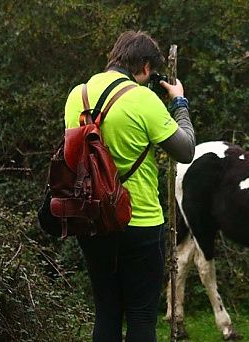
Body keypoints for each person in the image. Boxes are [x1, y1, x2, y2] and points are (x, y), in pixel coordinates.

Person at [64, 30, 195, 342]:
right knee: (140, 315)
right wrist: (179, 102)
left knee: (106, 311)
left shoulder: (76, 95)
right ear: (146, 67)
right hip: (140, 222)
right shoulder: (143, 99)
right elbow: (186, 149)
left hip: (92, 221)